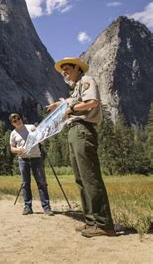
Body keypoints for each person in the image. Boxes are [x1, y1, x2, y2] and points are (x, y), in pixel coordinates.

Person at [47, 57, 115, 237]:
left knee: (90, 176)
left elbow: (92, 102)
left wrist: (71, 110)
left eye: (67, 68)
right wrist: (60, 105)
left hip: (83, 130)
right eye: (62, 70)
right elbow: (72, 101)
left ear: (78, 68)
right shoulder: (76, 87)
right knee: (80, 178)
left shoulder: (86, 80)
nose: (64, 72)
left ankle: (104, 224)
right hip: (74, 131)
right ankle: (91, 221)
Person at [9, 113, 54, 216]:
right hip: (23, 160)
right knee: (25, 184)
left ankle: (46, 207)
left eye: (18, 118)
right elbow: (12, 148)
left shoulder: (31, 127)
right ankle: (27, 207)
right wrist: (18, 149)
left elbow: (42, 137)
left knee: (42, 183)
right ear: (12, 123)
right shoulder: (13, 134)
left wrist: (38, 134)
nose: (17, 121)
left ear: (21, 118)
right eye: (14, 121)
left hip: (36, 158)